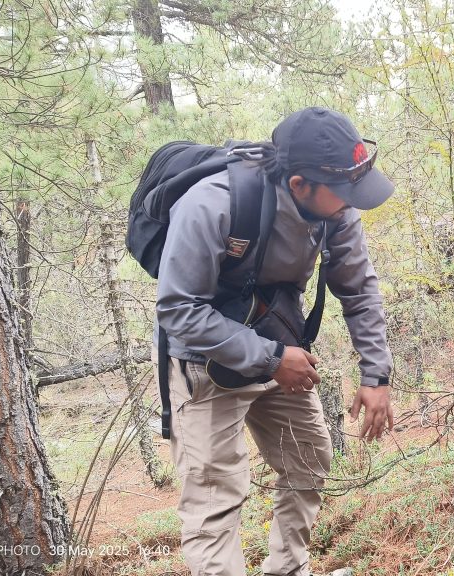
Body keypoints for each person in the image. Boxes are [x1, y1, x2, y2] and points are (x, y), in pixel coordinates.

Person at [154, 107, 395, 576]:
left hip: (280, 349)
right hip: (206, 367)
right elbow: (177, 308)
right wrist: (270, 358)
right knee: (215, 497)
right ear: (299, 184)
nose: (354, 203)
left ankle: (288, 568)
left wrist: (376, 373)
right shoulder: (213, 203)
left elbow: (359, 289)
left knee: (309, 461)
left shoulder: (336, 213)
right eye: (344, 193)